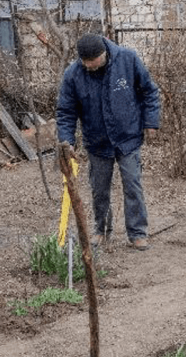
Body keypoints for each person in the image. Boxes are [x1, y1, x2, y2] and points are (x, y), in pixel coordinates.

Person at [56, 33, 161, 251]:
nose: (89, 67)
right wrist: (67, 141)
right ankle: (101, 229)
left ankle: (137, 232)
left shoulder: (128, 59)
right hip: (97, 141)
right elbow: (66, 112)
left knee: (132, 185)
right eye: (85, 64)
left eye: (93, 63)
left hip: (128, 136)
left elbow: (149, 92)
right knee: (99, 189)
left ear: (103, 54)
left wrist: (151, 122)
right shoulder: (74, 74)